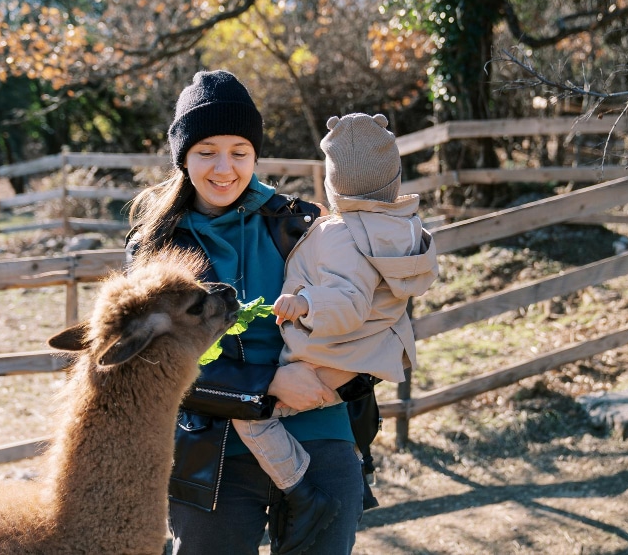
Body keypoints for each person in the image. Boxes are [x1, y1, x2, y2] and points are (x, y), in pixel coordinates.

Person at [126, 70, 362, 555]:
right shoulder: (153, 247)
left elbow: (364, 316)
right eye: (206, 150)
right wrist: (266, 386)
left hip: (317, 429)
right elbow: (150, 365)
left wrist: (327, 376)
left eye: (239, 151)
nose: (224, 167)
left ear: (255, 155)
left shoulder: (302, 225)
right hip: (212, 447)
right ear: (182, 157)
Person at [231, 113, 439, 552]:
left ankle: (300, 489)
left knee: (249, 414)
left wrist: (305, 303)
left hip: (321, 357)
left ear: (333, 182)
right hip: (352, 363)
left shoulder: (342, 235)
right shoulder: (399, 228)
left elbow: (347, 303)